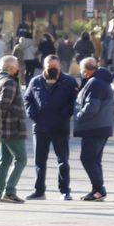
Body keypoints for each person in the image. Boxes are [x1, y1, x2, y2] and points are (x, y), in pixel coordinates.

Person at [24, 54, 78, 199]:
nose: (52, 68)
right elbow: (27, 100)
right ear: (44, 66)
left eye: (55, 66)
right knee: (39, 161)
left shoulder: (69, 81)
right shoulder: (36, 81)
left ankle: (65, 191)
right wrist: (34, 115)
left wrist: (63, 116)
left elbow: (74, 102)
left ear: (59, 66)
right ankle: (39, 191)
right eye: (49, 66)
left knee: (63, 161)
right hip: (40, 127)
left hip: (60, 127)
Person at [72, 56, 114, 201]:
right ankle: (98, 190)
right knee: (95, 159)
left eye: (82, 70)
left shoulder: (95, 83)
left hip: (94, 127)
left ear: (87, 70)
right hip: (102, 126)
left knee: (88, 158)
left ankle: (99, 190)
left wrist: (78, 115)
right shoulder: (101, 80)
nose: (82, 73)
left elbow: (92, 107)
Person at [0, 55, 28, 205]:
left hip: (4, 128)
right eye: (17, 65)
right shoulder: (9, 82)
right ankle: (9, 191)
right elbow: (3, 106)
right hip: (12, 128)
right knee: (21, 158)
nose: (19, 67)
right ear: (11, 68)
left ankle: (0, 193)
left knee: (5, 160)